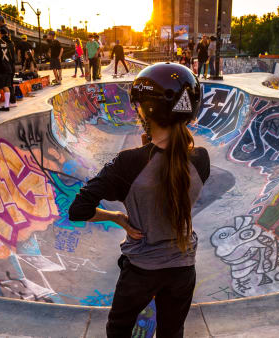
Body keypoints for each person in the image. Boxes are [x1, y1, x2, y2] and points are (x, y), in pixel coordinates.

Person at [68, 62, 209, 338]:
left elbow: (79, 209)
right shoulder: (201, 160)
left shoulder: (129, 163)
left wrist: (117, 218)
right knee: (172, 332)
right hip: (183, 268)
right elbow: (169, 166)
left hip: (141, 271)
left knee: (118, 330)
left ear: (145, 110)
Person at [0, 28, 17, 107]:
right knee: (10, 83)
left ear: (1, 34)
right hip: (12, 66)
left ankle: (12, 102)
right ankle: (13, 101)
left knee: (7, 84)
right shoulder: (12, 42)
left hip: (6, 65)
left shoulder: (2, 42)